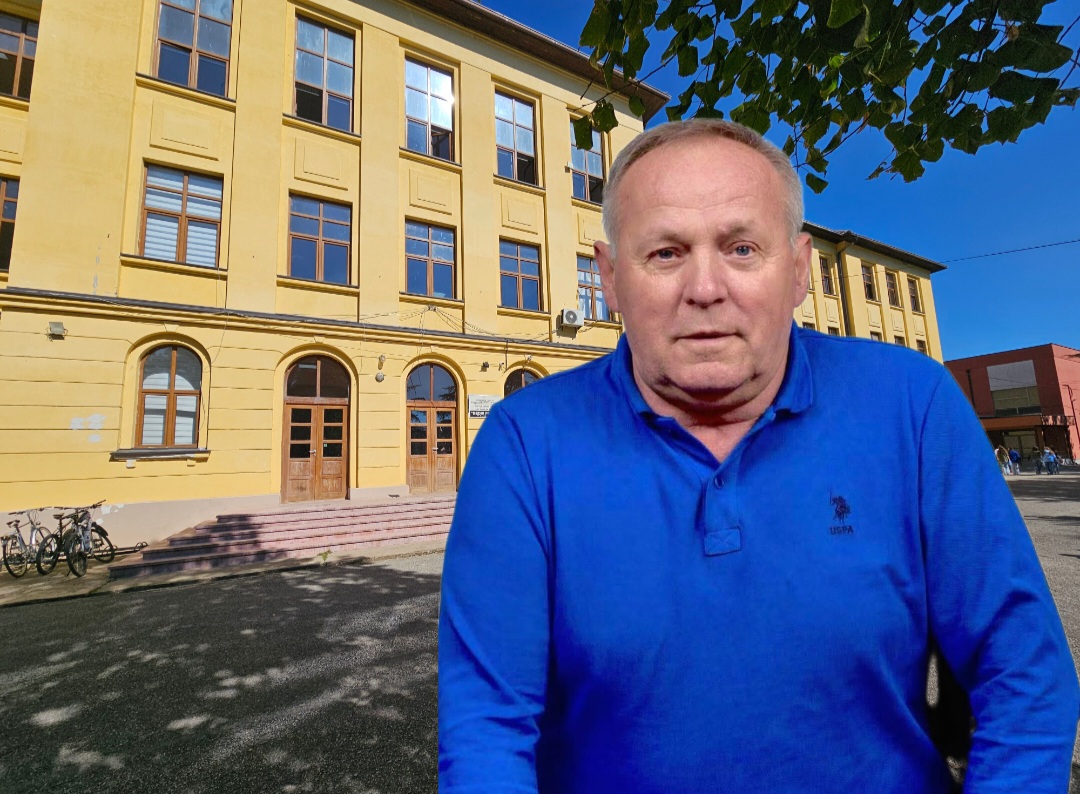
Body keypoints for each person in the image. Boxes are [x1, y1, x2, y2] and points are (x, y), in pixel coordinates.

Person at [438, 119, 1080, 793]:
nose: (705, 287)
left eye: (741, 248)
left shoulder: (912, 405)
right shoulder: (524, 441)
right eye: (665, 253)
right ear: (611, 277)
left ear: (799, 269)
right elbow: (486, 728)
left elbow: (1023, 675)